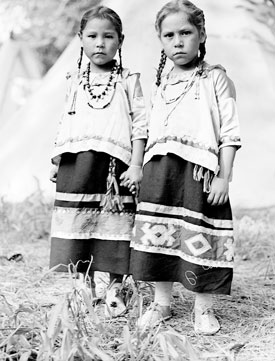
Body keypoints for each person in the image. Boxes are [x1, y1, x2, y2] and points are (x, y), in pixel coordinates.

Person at [130, 0, 241, 335]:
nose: (177, 41)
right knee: (159, 239)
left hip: (199, 173)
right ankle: (161, 303)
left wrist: (224, 175)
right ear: (160, 40)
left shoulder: (216, 78)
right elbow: (149, 131)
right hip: (160, 172)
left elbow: (230, 132)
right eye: (169, 35)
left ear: (201, 34)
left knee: (201, 237)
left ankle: (203, 308)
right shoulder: (161, 84)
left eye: (185, 32)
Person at [49, 5, 147, 318]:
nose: (100, 43)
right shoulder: (74, 79)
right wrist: (57, 158)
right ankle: (84, 285)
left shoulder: (129, 79)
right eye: (92, 36)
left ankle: (115, 287)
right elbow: (66, 120)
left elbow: (141, 124)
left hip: (113, 169)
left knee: (115, 226)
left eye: (108, 36)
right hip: (75, 165)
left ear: (120, 40)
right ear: (81, 39)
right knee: (79, 224)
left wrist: (136, 164)